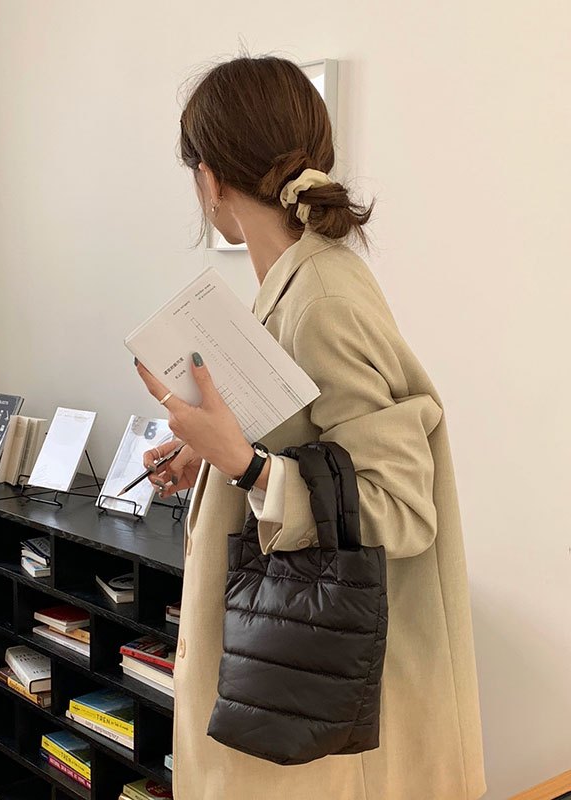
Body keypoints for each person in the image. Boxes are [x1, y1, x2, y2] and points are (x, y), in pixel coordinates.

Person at [133, 56, 487, 800]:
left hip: (320, 716)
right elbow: (315, 445)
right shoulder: (291, 284)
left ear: (210, 181)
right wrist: (211, 456)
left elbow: (398, 505)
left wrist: (244, 463)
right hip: (295, 678)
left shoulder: (322, 297)